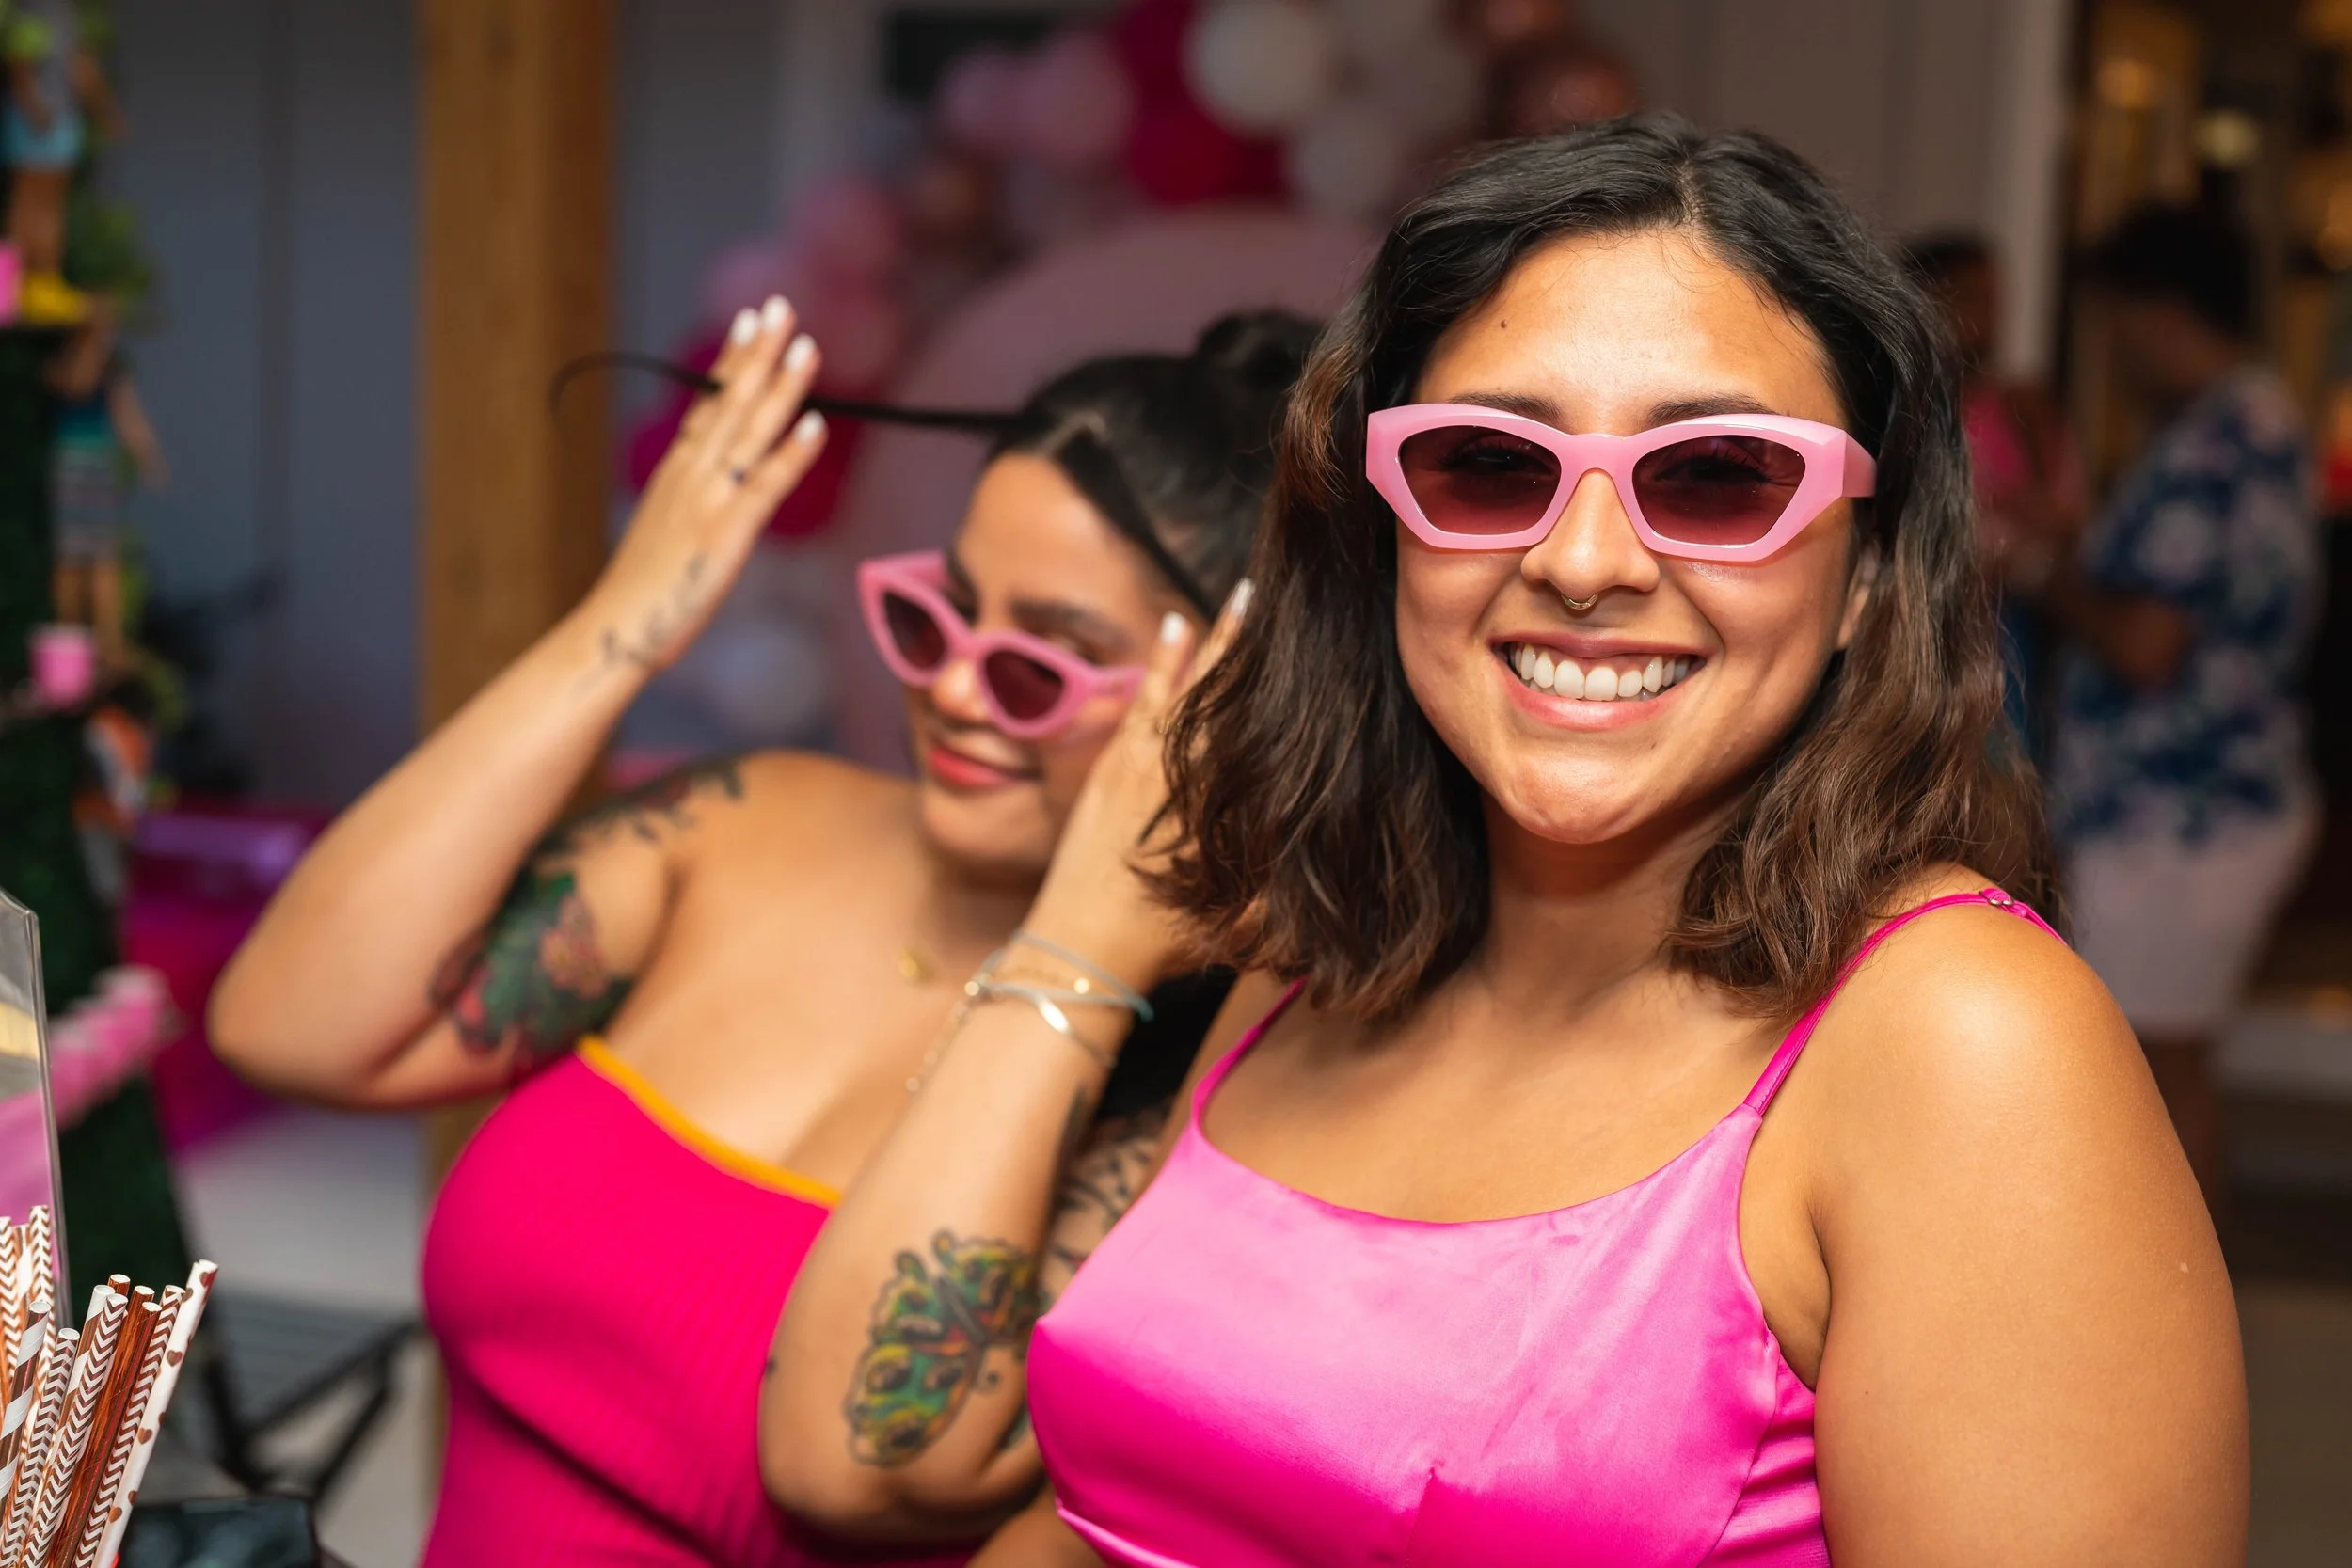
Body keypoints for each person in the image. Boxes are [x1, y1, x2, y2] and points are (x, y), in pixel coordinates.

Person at [778, 118, 2249, 1567]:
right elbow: (1083, 1501)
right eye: (1488, 464)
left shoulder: (1966, 1041)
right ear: (1385, 525)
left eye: (1718, 475)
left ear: (1867, 572)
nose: (1586, 560)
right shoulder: (1303, 966)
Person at [207, 298, 1313, 1565]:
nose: (953, 688)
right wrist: (623, 623)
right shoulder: (746, 824)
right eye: (937, 615)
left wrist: (1086, 933)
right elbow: (291, 1021)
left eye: (1041, 665)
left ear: (1231, 704)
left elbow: (859, 1462)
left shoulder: (1226, 1070)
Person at [2010, 203, 2323, 1205]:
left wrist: (2027, 562)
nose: (2109, 345)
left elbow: (2146, 641)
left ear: (2159, 313)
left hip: (2185, 814)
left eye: (2114, 319)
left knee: (2144, 1075)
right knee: (2155, 1067)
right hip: (2206, 802)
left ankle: (2169, 1314)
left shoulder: (2213, 444)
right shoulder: (2250, 420)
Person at [1904, 231, 2085, 760]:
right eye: (1964, 297)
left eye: (1993, 299)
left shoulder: (2022, 411)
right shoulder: (1905, 416)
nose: (1984, 316)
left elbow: (2071, 518)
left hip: (2010, 638)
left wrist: (2023, 524)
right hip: (1925, 633)